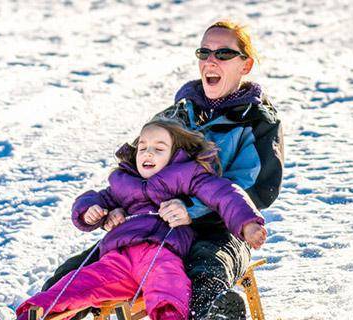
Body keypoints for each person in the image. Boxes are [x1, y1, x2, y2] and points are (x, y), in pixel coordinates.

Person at [42, 19, 284, 320]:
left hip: (223, 228)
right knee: (76, 271)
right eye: (204, 52)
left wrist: (191, 209)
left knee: (208, 264)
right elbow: (137, 171)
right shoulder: (175, 114)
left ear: (244, 66)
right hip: (155, 227)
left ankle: (213, 315)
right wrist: (113, 210)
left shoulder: (258, 120)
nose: (211, 60)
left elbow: (259, 188)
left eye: (223, 54)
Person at [0, 120, 267, 320]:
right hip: (116, 259)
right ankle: (31, 314)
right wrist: (91, 210)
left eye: (158, 148)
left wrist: (247, 223)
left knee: (168, 288)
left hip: (161, 253)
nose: (148, 153)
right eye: (143, 147)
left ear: (176, 154)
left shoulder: (186, 177)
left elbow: (225, 193)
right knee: (74, 285)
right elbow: (95, 198)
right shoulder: (124, 184)